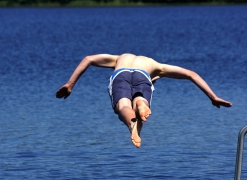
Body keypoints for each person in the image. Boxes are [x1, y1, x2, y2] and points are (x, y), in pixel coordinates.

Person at [56, 53, 232, 148]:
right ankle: (140, 101)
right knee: (139, 98)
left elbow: (89, 59)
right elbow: (191, 74)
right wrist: (213, 96)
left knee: (122, 106)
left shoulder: (119, 58)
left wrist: (70, 84)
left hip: (121, 73)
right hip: (144, 76)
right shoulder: (157, 66)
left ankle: (132, 123)